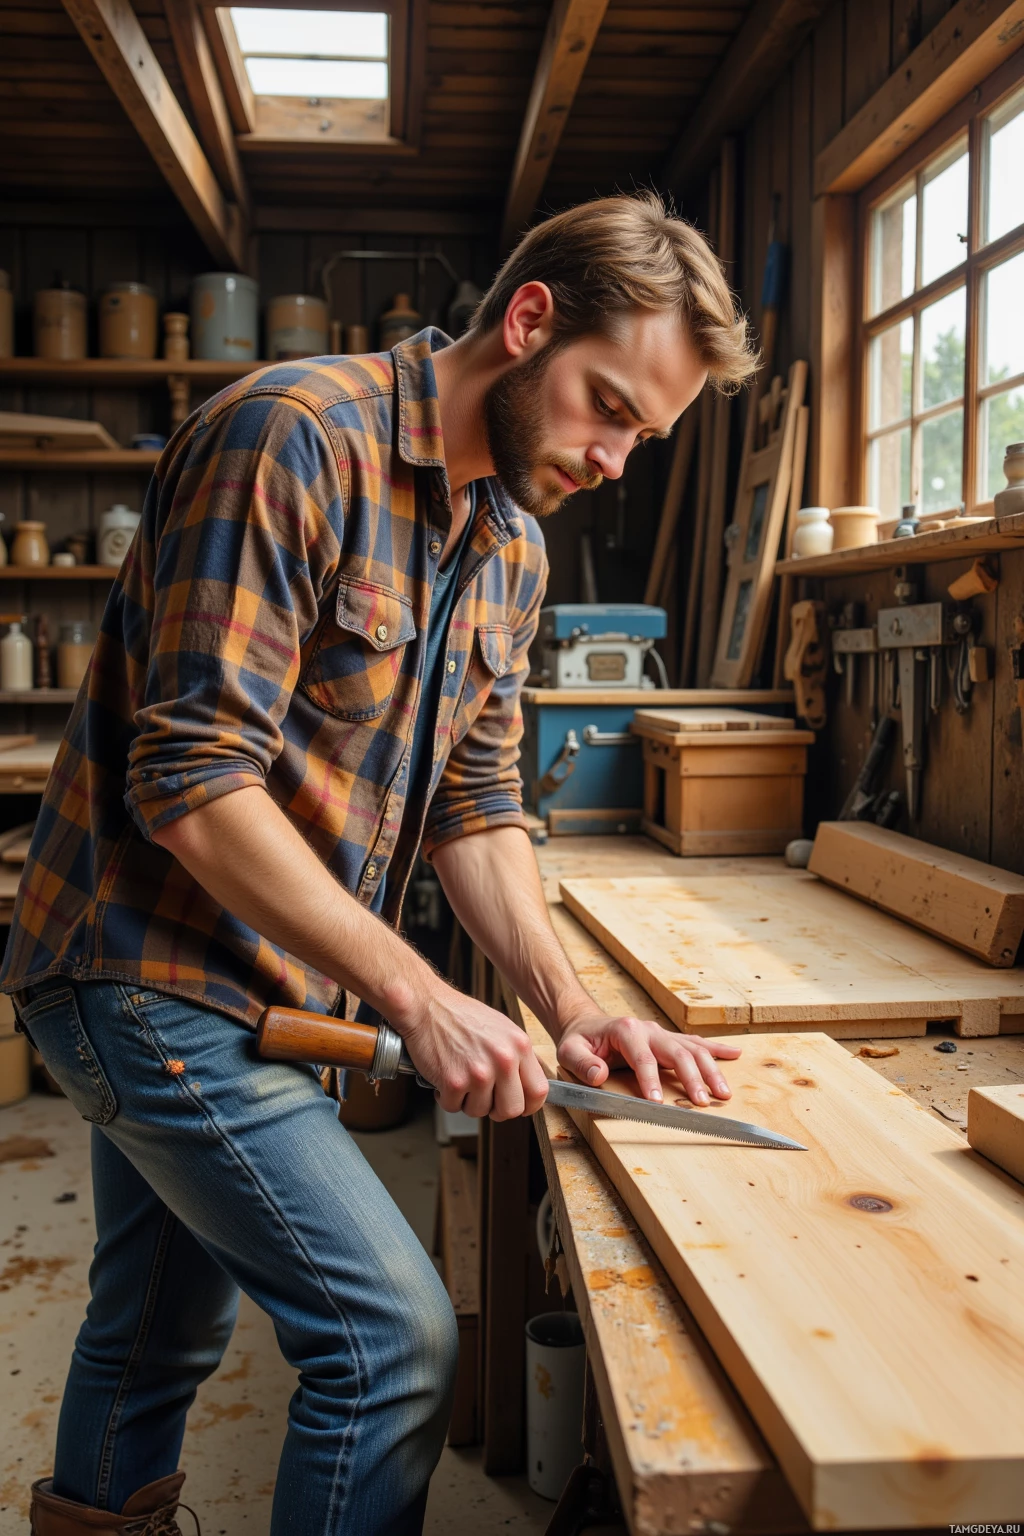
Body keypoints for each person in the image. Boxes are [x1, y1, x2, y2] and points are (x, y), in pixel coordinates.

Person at [4, 192, 758, 1536]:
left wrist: (571, 1010)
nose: (619, 457)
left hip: (270, 987)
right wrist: (419, 996)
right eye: (609, 406)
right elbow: (189, 783)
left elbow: (478, 806)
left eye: (647, 434)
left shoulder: (511, 546)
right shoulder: (294, 437)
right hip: (139, 969)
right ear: (529, 321)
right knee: (390, 1342)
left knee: (158, 1328)